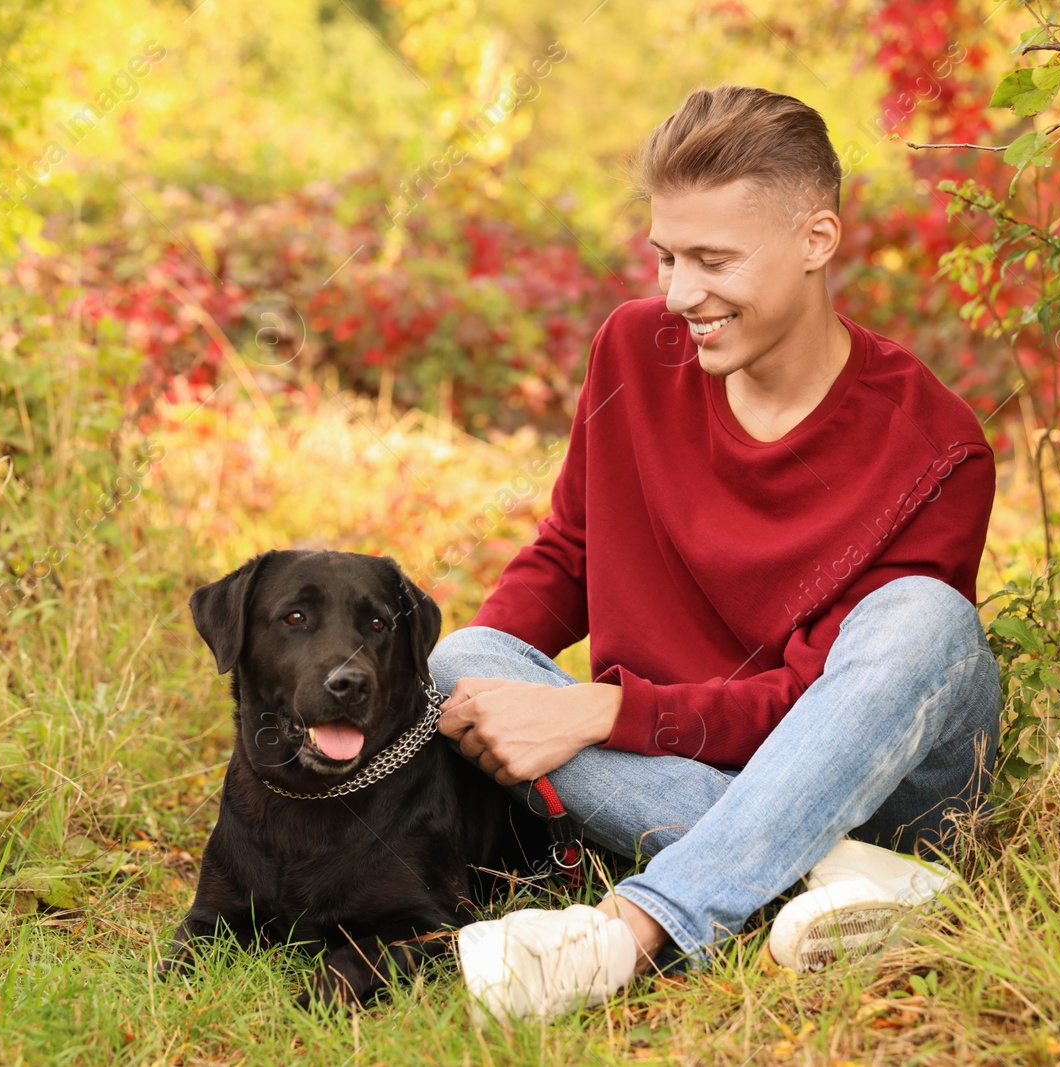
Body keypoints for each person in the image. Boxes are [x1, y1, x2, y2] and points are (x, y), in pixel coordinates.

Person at [427, 85, 1003, 1025]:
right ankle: (845, 883)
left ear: (817, 241)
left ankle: (630, 929)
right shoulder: (632, 350)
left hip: (879, 786)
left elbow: (818, 704)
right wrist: (485, 706)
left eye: (713, 260)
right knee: (460, 663)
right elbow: (570, 549)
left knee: (928, 619)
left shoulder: (935, 445)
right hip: (689, 764)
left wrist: (601, 709)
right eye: (665, 255)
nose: (679, 293)